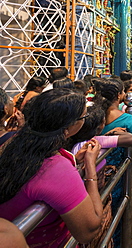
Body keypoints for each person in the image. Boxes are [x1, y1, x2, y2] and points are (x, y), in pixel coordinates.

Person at [0, 88, 103, 247]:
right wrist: (90, 166)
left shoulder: (11, 142)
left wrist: (74, 160)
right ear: (68, 128)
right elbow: (88, 231)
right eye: (84, 116)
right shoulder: (55, 168)